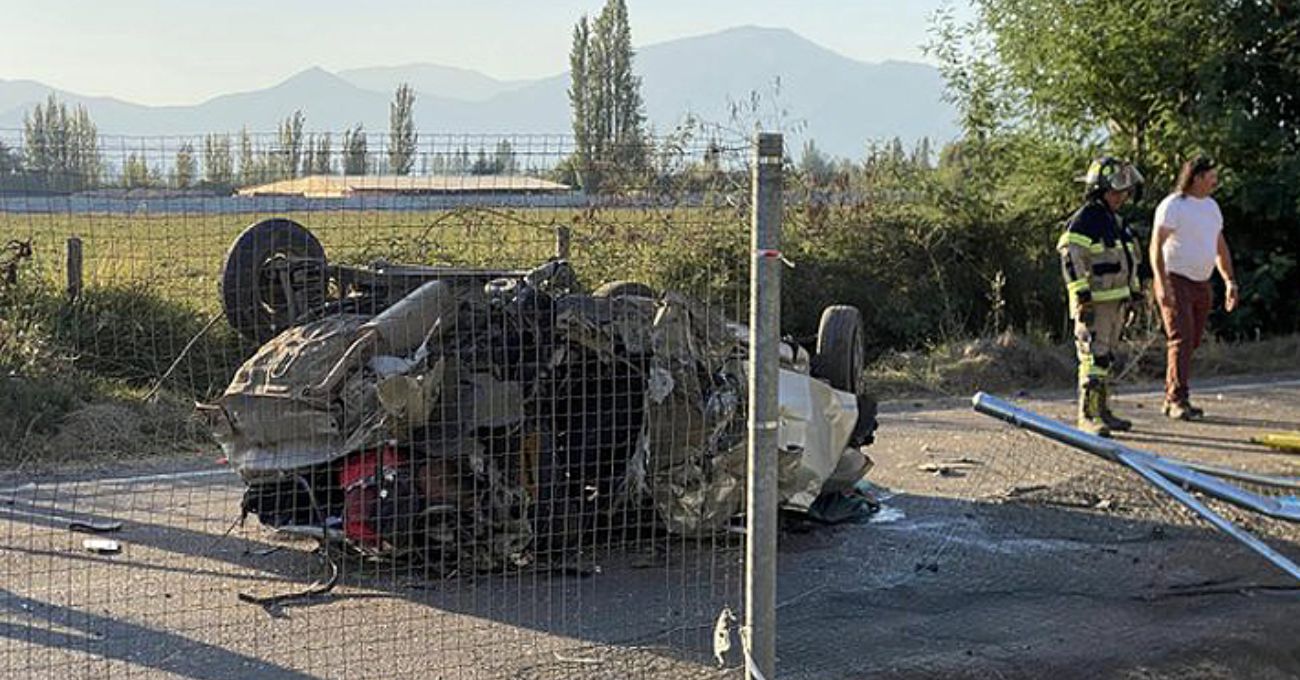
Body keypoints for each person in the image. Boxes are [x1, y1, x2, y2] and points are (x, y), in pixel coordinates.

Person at [1058, 157, 1145, 437]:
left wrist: (1133, 294)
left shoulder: (1115, 222)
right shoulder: (1087, 219)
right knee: (1093, 359)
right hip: (1094, 303)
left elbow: (1129, 259)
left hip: (1115, 301)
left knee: (1106, 358)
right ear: (1100, 190)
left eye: (1124, 191)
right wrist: (1082, 297)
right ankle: (1089, 415)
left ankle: (1103, 410)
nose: (1122, 197)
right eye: (1116, 191)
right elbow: (1071, 256)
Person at [1150, 156, 1238, 420]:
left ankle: (1171, 395)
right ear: (1197, 177)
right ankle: (1177, 400)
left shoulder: (1211, 207)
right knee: (1182, 338)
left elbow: (1219, 246)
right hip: (1176, 279)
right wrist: (1161, 281)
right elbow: (1156, 245)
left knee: (1193, 340)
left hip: (1202, 282)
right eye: (1211, 175)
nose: (1215, 181)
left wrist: (1229, 281)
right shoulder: (1173, 205)